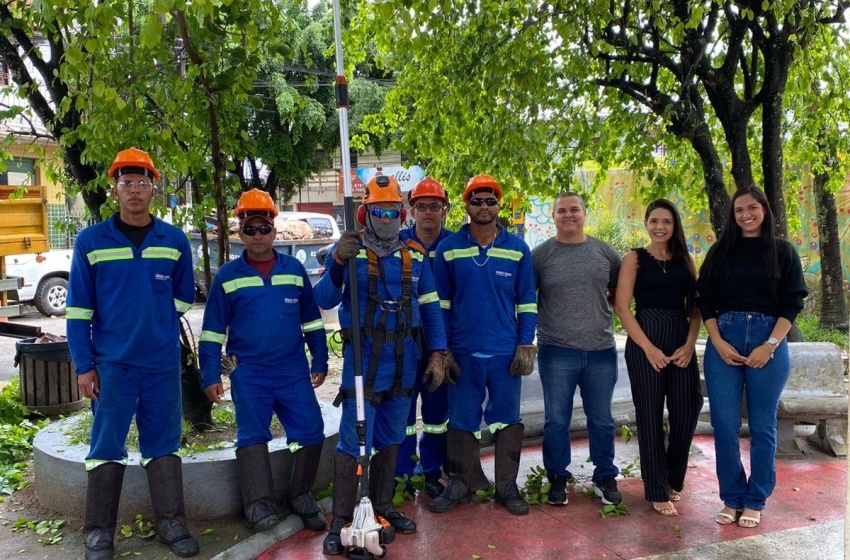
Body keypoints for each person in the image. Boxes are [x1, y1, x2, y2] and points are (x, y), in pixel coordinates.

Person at [66, 148, 199, 560]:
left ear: (153, 188)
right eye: (127, 183)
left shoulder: (173, 241)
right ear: (115, 189)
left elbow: (182, 297)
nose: (135, 190)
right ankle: (99, 533)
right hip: (112, 366)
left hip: (161, 364)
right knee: (106, 445)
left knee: (164, 444)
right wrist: (84, 366)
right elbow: (77, 312)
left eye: (142, 182)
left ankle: (172, 523)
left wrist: (154, 322)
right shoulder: (91, 242)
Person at [314, 174, 449, 555]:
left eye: (392, 210)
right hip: (365, 360)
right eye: (378, 210)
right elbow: (323, 299)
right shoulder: (349, 252)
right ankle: (341, 519)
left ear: (402, 213)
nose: (386, 217)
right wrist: (338, 260)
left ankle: (384, 507)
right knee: (352, 441)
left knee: (392, 437)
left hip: (405, 360)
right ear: (365, 213)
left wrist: (438, 352)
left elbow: (432, 309)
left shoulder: (416, 256)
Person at [198, 189, 329, 534]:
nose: (258, 236)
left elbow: (313, 320)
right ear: (241, 232)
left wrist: (320, 358)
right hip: (250, 373)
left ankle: (300, 496)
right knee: (253, 437)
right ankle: (259, 506)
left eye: (264, 228)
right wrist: (210, 373)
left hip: (292, 370)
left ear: (274, 229)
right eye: (250, 229)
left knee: (311, 432)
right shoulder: (228, 275)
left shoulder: (294, 269)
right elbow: (212, 331)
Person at [696, 187, 807, 529]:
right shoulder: (720, 252)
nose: (746, 214)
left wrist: (769, 344)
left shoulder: (783, 252)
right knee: (725, 424)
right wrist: (717, 341)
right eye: (739, 209)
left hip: (768, 341)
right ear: (732, 215)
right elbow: (705, 300)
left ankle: (756, 499)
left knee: (762, 426)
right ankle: (732, 497)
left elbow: (793, 302)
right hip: (724, 340)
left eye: (752, 207)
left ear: (764, 209)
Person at [430, 174, 538, 516]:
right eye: (477, 201)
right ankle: (460, 484)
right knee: (461, 420)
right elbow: (439, 304)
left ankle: (507, 487)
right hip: (462, 354)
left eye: (490, 200)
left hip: (506, 353)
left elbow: (528, 302)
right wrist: (441, 349)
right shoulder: (448, 249)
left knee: (507, 419)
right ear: (467, 205)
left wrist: (526, 343)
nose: (484, 206)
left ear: (498, 205)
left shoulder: (517, 249)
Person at [532, 192, 623, 508]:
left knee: (602, 420)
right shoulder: (540, 256)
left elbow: (617, 293)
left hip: (601, 351)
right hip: (556, 351)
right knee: (556, 420)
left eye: (574, 209)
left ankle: (604, 476)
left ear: (585, 213)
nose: (568, 215)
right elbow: (527, 300)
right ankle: (557, 478)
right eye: (561, 210)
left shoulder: (606, 253)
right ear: (553, 215)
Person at [613, 199, 703, 517]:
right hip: (644, 341)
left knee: (688, 407)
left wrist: (690, 344)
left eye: (666, 221)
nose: (659, 226)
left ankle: (672, 477)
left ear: (675, 225)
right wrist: (648, 347)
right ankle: (655, 488)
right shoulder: (634, 258)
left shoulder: (685, 259)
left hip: (680, 340)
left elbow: (696, 308)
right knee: (649, 414)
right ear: (646, 223)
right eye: (654, 220)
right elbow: (622, 307)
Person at [395, 177, 455, 499]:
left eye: (435, 206)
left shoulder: (456, 246)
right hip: (403, 345)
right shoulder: (397, 244)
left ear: (444, 210)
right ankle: (402, 474)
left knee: (435, 416)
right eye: (422, 206)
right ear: (411, 210)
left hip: (442, 348)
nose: (428, 212)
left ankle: (431, 472)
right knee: (402, 416)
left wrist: (447, 349)